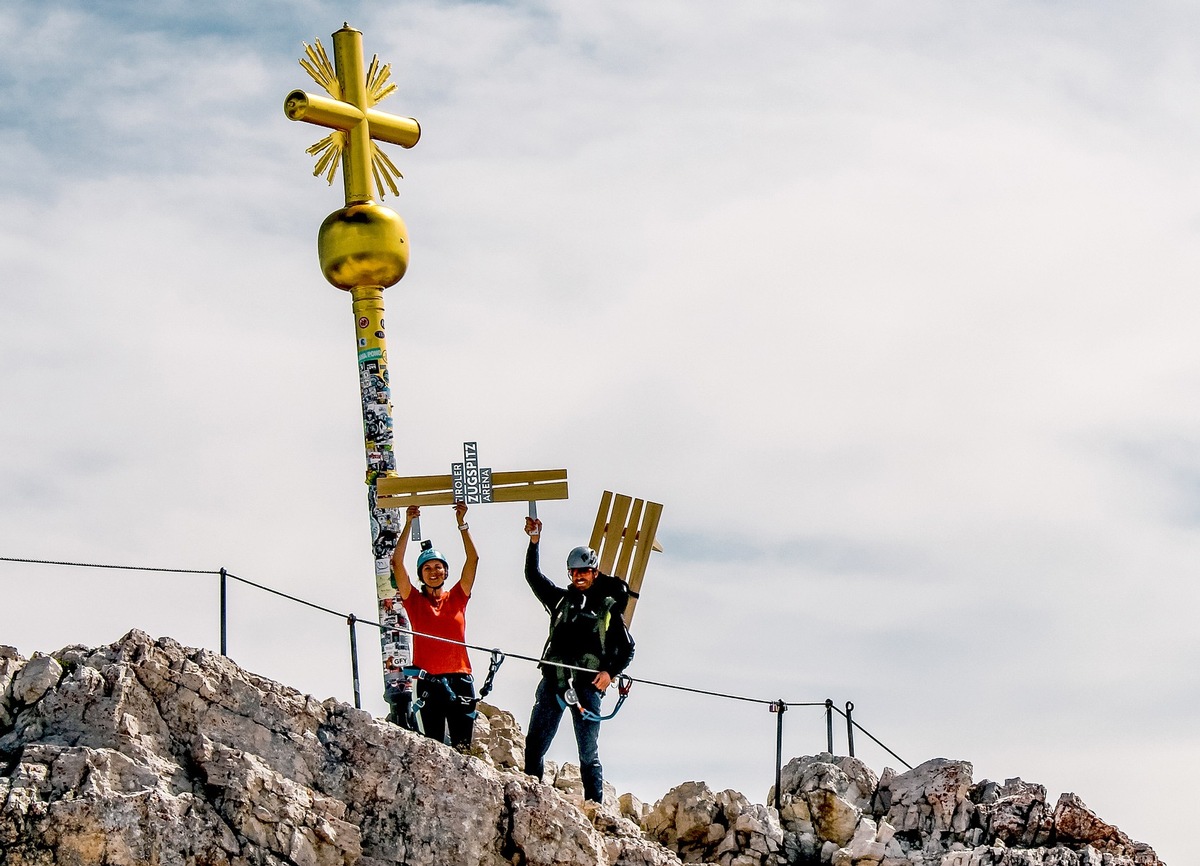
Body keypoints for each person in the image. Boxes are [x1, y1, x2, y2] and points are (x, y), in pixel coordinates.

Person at [522, 515, 635, 804]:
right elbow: (533, 577)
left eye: (584, 571)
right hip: (552, 682)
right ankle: (531, 799)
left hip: (587, 687)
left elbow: (627, 647)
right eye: (574, 572)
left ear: (594, 572)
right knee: (534, 747)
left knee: (588, 753)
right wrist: (534, 542)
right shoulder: (560, 600)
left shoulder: (606, 608)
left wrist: (610, 673)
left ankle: (594, 809)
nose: (578, 576)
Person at [391, 502, 479, 751]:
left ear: (445, 571)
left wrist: (462, 524)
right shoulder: (414, 602)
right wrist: (408, 522)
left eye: (438, 567)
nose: (433, 572)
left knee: (463, 748)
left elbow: (473, 559)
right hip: (428, 683)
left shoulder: (458, 597)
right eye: (427, 568)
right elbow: (397, 563)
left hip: (461, 680)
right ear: (421, 575)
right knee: (431, 749)